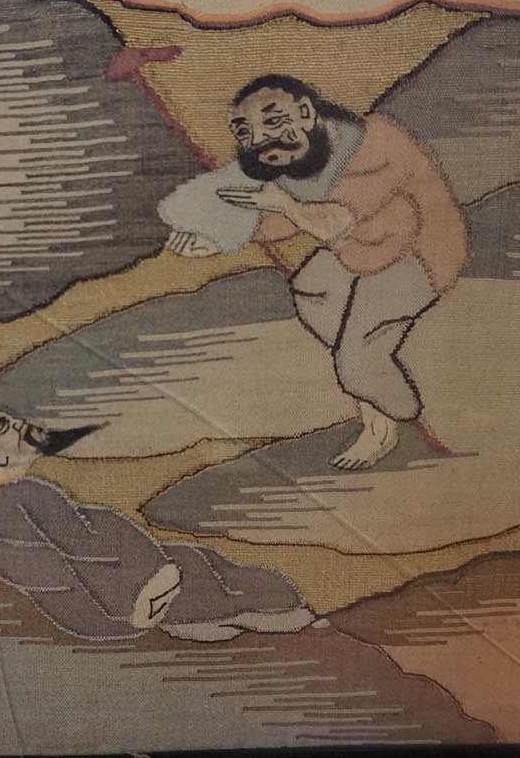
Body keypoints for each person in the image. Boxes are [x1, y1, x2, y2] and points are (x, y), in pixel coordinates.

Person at [161, 75, 470, 470]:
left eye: (273, 121)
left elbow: (333, 221)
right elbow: (285, 217)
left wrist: (285, 205)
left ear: (307, 112)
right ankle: (367, 375)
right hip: (362, 248)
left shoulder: (377, 143)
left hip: (420, 253)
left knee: (356, 361)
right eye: (245, 132)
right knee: (312, 291)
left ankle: (393, 412)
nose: (260, 140)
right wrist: (219, 239)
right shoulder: (302, 158)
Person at [0, 410, 317, 642]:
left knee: (201, 559)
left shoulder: (27, 489)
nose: (20, 426)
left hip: (130, 573)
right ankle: (276, 613)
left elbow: (81, 535)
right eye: (6, 427)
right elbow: (46, 571)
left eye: (14, 421)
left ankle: (279, 608)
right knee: (200, 580)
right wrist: (128, 601)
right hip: (108, 599)